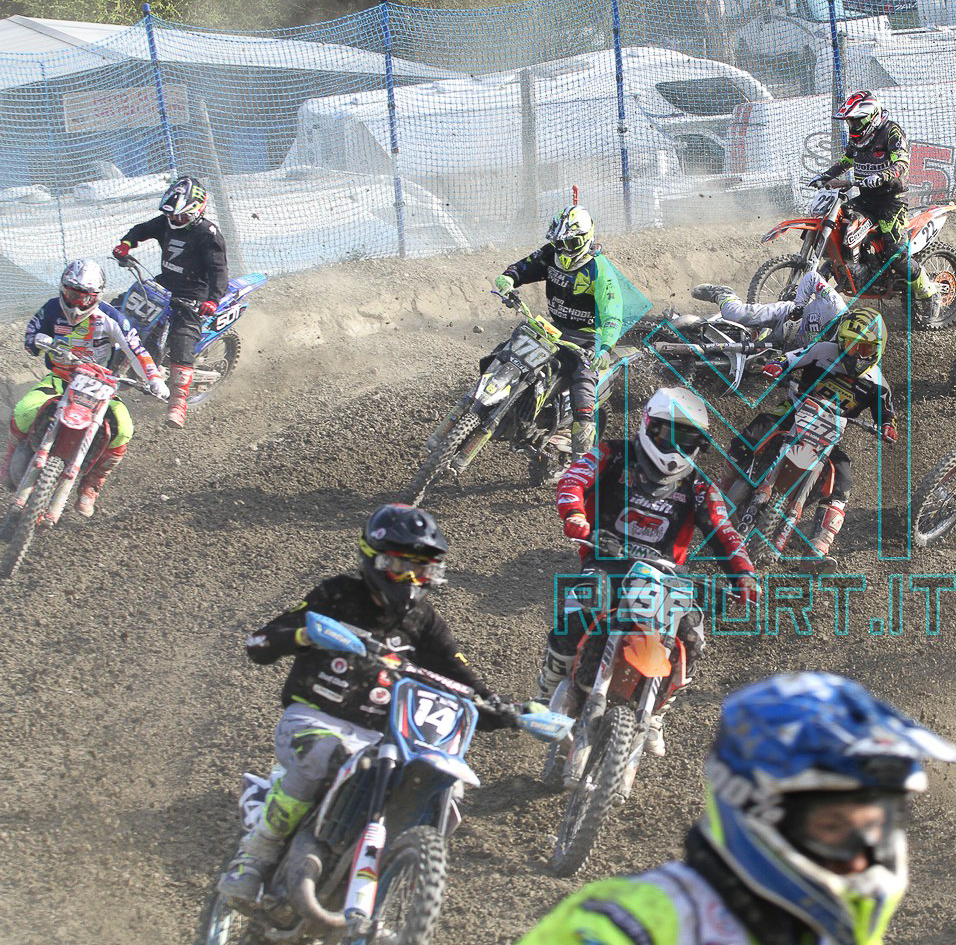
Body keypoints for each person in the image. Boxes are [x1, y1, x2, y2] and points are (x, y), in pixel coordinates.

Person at [217, 503, 535, 905]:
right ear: (375, 560)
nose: (412, 579)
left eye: (422, 569)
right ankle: (256, 852)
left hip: (382, 739)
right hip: (314, 719)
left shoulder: (423, 620)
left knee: (444, 787)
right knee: (323, 754)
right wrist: (306, 636)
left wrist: (510, 711)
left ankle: (393, 884)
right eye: (402, 566)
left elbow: (462, 679)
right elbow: (259, 644)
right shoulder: (337, 595)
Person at [518, 670, 956, 945]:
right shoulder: (627, 928)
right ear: (755, 810)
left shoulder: (830, 932)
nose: (862, 856)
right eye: (833, 827)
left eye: (878, 826)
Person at [544, 387, 759, 757]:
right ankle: (546, 692)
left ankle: (657, 711)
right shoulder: (612, 454)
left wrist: (743, 573)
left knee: (691, 635)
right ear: (649, 425)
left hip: (663, 575)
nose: (676, 447)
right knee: (578, 612)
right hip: (607, 560)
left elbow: (725, 532)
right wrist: (575, 514)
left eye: (688, 440)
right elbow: (573, 480)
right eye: (669, 435)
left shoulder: (699, 487)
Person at [725, 307, 897, 562]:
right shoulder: (822, 351)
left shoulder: (877, 383)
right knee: (753, 434)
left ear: (877, 349)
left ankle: (819, 546)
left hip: (829, 431)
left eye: (864, 349)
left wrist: (887, 427)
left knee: (843, 479)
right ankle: (720, 496)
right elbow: (790, 358)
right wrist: (777, 365)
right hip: (795, 410)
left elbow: (886, 414)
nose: (856, 354)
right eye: (851, 346)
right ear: (841, 341)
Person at [7, 260, 168, 516]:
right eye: (73, 296)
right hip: (61, 378)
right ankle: (8, 460)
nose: (77, 305)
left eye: (86, 298)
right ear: (64, 290)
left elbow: (136, 349)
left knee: (124, 429)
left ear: (97, 296)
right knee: (24, 410)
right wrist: (37, 339)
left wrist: (154, 377)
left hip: (100, 385)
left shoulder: (111, 317)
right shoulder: (52, 309)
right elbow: (31, 336)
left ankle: (92, 484)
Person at [493, 205, 628, 459]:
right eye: (559, 243)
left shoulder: (600, 270)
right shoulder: (552, 253)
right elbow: (525, 266)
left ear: (586, 239)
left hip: (586, 338)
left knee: (583, 387)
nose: (564, 249)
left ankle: (581, 459)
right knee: (509, 348)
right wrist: (508, 278)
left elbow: (613, 316)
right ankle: (487, 400)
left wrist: (605, 349)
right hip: (553, 328)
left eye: (571, 243)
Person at [810, 90, 943, 324]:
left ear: (871, 116)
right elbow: (847, 160)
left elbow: (902, 162)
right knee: (842, 227)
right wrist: (826, 176)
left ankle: (930, 293)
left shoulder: (891, 132)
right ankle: (855, 269)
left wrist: (882, 175)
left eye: (856, 120)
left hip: (891, 201)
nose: (853, 125)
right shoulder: (857, 139)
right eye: (851, 121)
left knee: (895, 254)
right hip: (866, 199)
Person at [112, 176, 229, 428]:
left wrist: (212, 300)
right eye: (172, 216)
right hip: (164, 284)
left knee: (182, 338)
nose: (175, 220)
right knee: (120, 308)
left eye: (180, 216)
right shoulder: (166, 223)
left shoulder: (208, 235)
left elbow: (219, 271)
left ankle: (178, 402)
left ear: (196, 211)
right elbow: (142, 230)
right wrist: (126, 244)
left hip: (193, 294)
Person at [689, 268, 847, 353]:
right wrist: (799, 306)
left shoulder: (840, 353)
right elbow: (812, 277)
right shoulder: (835, 304)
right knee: (733, 313)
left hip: (787, 346)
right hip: (786, 314)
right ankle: (724, 294)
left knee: (747, 357)